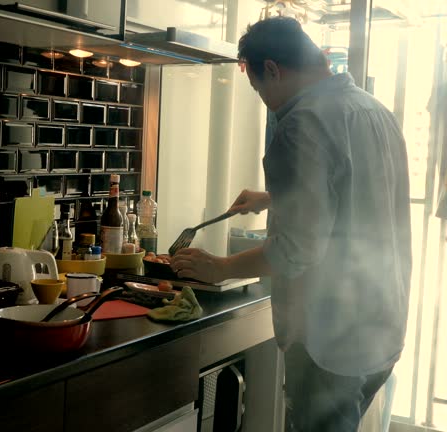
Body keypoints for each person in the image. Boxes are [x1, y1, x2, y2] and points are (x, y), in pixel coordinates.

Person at [170, 17, 412, 432]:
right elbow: (358, 197)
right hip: (382, 328)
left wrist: (220, 268)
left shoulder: (301, 124)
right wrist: (274, 198)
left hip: (330, 340)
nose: (264, 98)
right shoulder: (373, 110)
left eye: (259, 87)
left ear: (273, 70)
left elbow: (297, 249)